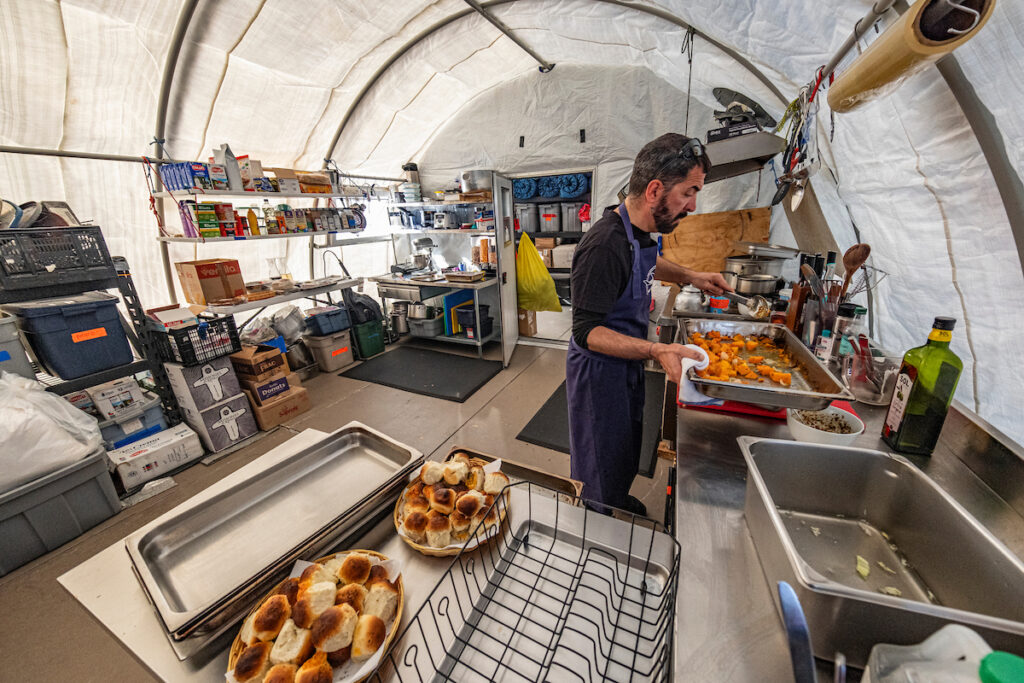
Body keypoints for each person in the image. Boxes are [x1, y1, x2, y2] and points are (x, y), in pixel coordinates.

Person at [566, 133, 731, 515]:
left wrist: (692, 276)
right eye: (688, 192)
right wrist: (657, 349)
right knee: (597, 459)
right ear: (655, 190)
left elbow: (648, 259)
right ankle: (596, 524)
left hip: (627, 362)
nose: (692, 205)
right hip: (599, 372)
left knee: (624, 447)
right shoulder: (603, 245)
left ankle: (616, 499)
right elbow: (585, 331)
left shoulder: (638, 233)